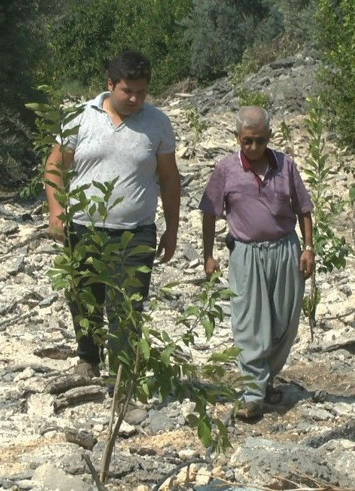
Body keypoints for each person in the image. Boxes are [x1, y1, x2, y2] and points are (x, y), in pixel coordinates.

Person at [43, 49, 181, 379]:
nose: (134, 99)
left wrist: (172, 229)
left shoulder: (158, 123)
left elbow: (169, 178)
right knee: (84, 298)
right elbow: (54, 165)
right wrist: (56, 211)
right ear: (110, 84)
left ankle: (122, 381)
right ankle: (87, 360)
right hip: (83, 228)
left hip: (136, 233)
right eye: (127, 91)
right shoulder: (80, 117)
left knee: (127, 308)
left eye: (141, 92)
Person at [199, 106, 314, 419]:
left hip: (285, 250)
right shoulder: (226, 170)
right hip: (247, 253)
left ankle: (266, 381)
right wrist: (208, 255)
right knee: (249, 323)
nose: (253, 147)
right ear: (237, 138)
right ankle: (252, 395)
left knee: (284, 323)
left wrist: (309, 248)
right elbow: (209, 212)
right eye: (247, 141)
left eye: (259, 141)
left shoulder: (285, 165)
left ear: (270, 138)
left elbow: (304, 208)